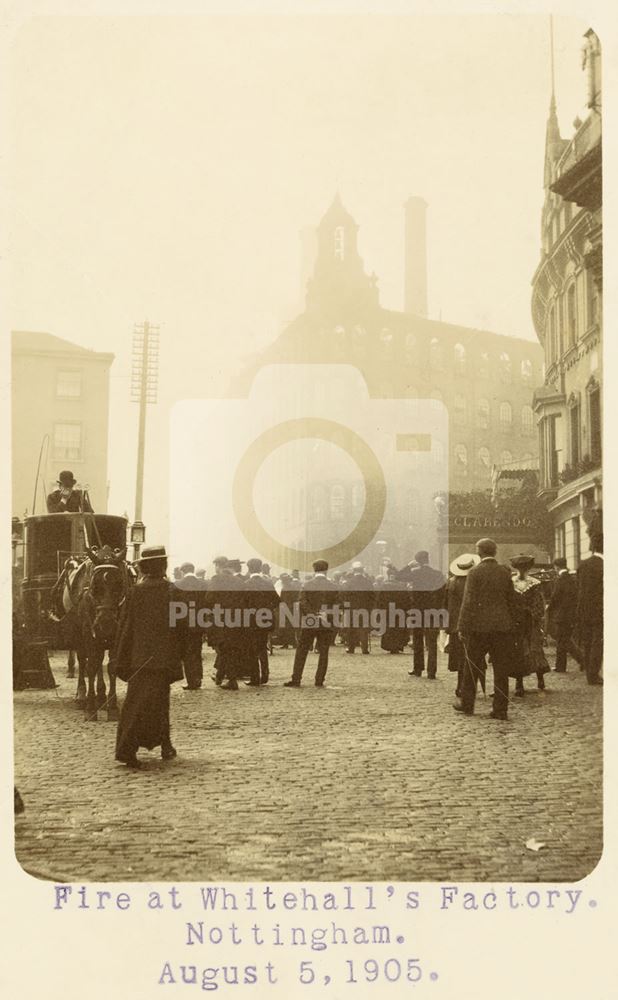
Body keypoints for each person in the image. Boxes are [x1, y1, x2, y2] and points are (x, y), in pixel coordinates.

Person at [114, 545, 186, 768]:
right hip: (163, 659)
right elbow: (181, 627)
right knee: (160, 703)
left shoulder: (135, 592)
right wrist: (179, 654)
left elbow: (126, 627)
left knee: (134, 704)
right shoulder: (174, 591)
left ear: (144, 567)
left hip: (139, 658)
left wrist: (121, 658)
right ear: (163, 565)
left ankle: (129, 747)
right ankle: (163, 745)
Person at [456, 537, 519, 720]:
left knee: (472, 666)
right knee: (501, 669)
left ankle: (467, 704)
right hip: (502, 628)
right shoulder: (504, 572)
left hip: (478, 628)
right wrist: (512, 624)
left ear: (479, 552)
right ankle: (501, 709)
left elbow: (468, 602)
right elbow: (511, 601)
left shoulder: (474, 573)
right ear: (494, 552)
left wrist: (462, 626)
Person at [284, 560, 338, 687]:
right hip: (326, 621)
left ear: (314, 570)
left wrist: (312, 614)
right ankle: (319, 680)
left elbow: (302, 602)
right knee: (324, 652)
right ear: (326, 570)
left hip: (310, 621)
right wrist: (326, 614)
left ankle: (296, 678)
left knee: (302, 650)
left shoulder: (307, 584)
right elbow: (338, 604)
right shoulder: (333, 586)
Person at [509, 554, 550, 696]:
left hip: (522, 622)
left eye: (522, 567)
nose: (521, 570)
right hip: (527, 621)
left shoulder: (514, 582)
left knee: (525, 650)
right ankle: (536, 680)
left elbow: (510, 604)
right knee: (531, 649)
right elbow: (539, 605)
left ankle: (522, 684)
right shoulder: (534, 583)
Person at [445, 553, 480, 697]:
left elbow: (446, 605)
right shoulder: (473, 583)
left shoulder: (451, 582)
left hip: (455, 625)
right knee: (473, 657)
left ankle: (460, 686)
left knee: (459, 657)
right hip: (471, 624)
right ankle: (470, 687)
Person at [407, 550, 445, 679]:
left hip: (418, 611)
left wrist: (409, 566)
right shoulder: (438, 574)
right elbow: (442, 595)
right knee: (432, 642)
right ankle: (431, 671)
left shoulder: (415, 573)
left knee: (418, 640)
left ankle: (418, 668)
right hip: (433, 611)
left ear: (417, 561)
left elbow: (398, 576)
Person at [243, 557, 280, 685]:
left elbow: (243, 604)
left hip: (251, 620)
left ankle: (255, 678)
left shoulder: (246, 584)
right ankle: (265, 675)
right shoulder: (268, 583)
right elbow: (277, 601)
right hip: (265, 619)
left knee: (252, 649)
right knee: (262, 647)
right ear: (260, 568)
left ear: (248, 568)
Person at [576, 532, 603, 686]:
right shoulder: (605, 565)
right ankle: (594, 675)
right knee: (597, 642)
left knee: (588, 642)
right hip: (599, 610)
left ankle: (589, 674)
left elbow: (579, 588)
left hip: (584, 610)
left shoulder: (583, 564)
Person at [546, 557, 581, 672]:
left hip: (562, 615)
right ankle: (581, 661)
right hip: (570, 614)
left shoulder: (560, 580)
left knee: (562, 641)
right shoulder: (571, 579)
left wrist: (549, 608)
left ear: (557, 566)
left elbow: (555, 597)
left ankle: (564, 666)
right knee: (565, 640)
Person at [176, 561, 207, 689]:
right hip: (199, 622)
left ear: (182, 571)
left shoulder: (178, 585)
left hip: (183, 625)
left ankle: (191, 681)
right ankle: (198, 677)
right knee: (197, 650)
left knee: (187, 653)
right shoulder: (203, 584)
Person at [374, 565, 411, 653]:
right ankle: (398, 646)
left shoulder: (384, 586)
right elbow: (407, 600)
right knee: (398, 629)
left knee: (389, 629)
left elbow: (380, 601)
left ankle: (390, 646)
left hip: (388, 611)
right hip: (400, 612)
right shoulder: (402, 587)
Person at [340, 561, 374, 654]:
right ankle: (364, 648)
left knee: (351, 628)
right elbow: (372, 597)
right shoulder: (368, 582)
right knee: (363, 628)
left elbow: (343, 596)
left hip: (351, 609)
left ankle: (351, 648)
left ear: (353, 571)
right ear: (362, 570)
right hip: (365, 608)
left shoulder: (348, 583)